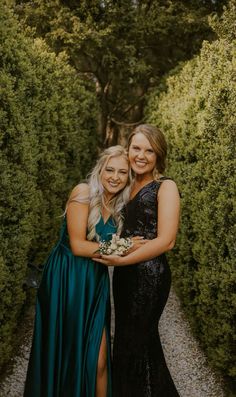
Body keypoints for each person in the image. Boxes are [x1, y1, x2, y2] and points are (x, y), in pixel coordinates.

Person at [24, 145, 132, 397]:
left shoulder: (120, 206)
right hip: (67, 278)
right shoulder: (83, 192)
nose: (115, 176)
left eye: (122, 172)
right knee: (66, 350)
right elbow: (78, 245)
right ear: (100, 169)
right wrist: (125, 247)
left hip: (95, 282)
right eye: (110, 169)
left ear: (129, 177)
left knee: (99, 360)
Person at [94, 125, 180, 396]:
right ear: (128, 149)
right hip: (125, 278)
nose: (141, 155)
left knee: (136, 342)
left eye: (149, 150)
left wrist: (120, 262)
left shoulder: (165, 187)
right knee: (134, 343)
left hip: (150, 277)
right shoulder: (124, 183)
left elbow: (167, 241)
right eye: (137, 148)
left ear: (158, 155)